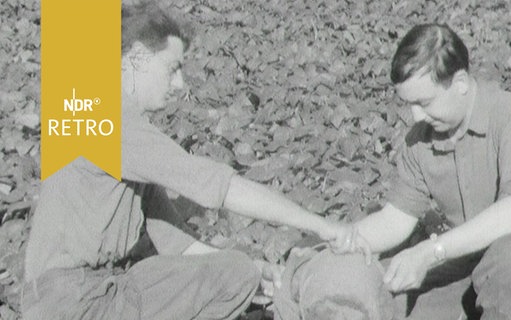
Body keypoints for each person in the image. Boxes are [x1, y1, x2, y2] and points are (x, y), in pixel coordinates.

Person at [21, 2, 349, 319]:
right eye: (172, 68)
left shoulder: (106, 127)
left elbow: (179, 246)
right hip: (77, 302)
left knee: (234, 269)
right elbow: (218, 188)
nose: (180, 85)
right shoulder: (109, 120)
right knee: (234, 271)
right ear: (135, 58)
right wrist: (320, 225)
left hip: (76, 297)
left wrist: (256, 271)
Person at [329, 23, 511, 319]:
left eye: (425, 102)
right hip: (468, 263)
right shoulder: (420, 140)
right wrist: (337, 241)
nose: (416, 116)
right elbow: (395, 219)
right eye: (409, 104)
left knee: (509, 257)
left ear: (461, 83)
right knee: (381, 285)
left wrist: (430, 252)